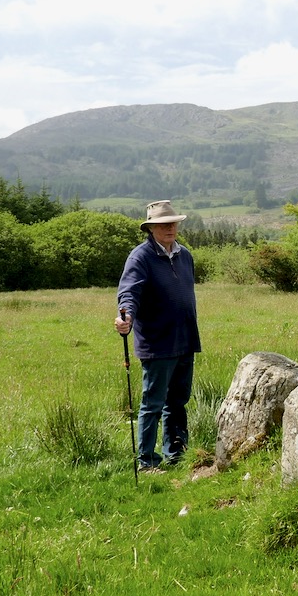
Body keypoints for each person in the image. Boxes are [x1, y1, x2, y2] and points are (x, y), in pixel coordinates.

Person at [114, 200, 202, 472]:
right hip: (157, 342)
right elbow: (129, 292)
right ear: (151, 228)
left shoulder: (185, 255)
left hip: (185, 339)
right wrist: (126, 316)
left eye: (173, 223)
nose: (170, 228)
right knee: (152, 404)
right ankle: (147, 461)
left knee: (177, 402)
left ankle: (176, 454)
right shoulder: (140, 257)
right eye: (163, 224)